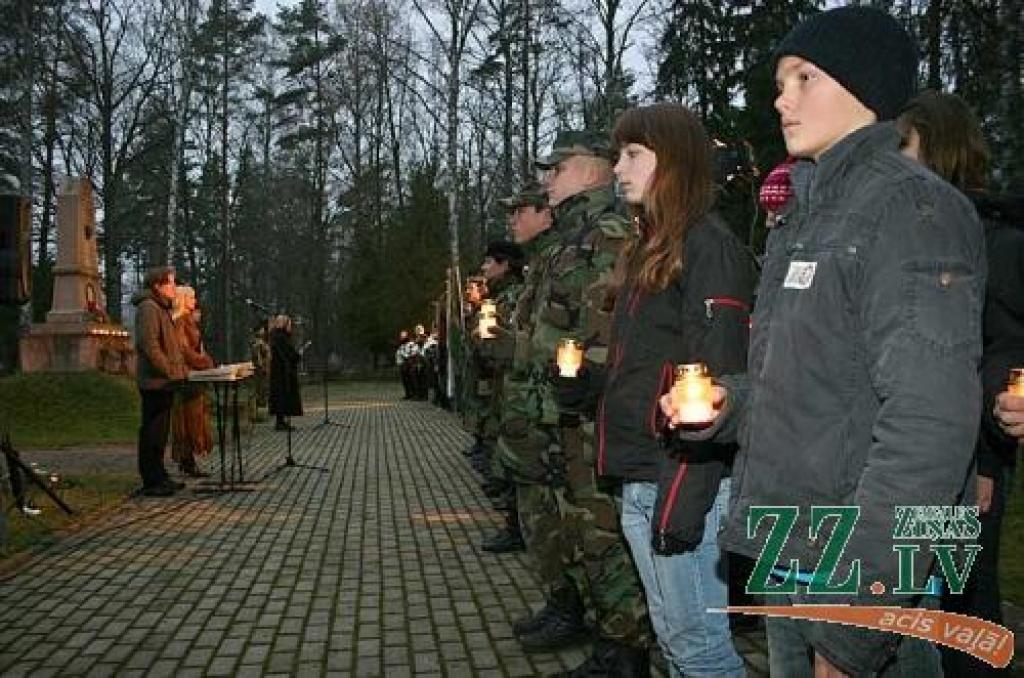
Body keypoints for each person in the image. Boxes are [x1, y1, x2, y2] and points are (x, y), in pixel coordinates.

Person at [663, 7, 985, 676]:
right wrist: (731, 403)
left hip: (853, 567)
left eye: (803, 77)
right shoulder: (806, 214)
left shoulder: (911, 209)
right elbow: (821, 382)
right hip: (797, 551)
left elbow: (930, 427)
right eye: (780, 80)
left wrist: (856, 619)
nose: (781, 97)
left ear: (864, 87)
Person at [563, 102, 755, 676]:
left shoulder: (709, 249)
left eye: (633, 154)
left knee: (698, 645)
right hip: (643, 478)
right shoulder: (653, 249)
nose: (618, 167)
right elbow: (653, 370)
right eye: (620, 153)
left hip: (678, 482)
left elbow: (717, 387)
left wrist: (681, 502)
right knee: (674, 640)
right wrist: (592, 386)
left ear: (673, 162)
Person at [507, 130, 652, 674]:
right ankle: (606, 635)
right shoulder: (574, 236)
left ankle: (625, 648)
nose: (549, 179)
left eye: (558, 168)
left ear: (593, 171)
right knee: (579, 530)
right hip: (562, 411)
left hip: (591, 414)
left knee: (600, 530)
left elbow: (603, 330)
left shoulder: (608, 233)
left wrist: (527, 350)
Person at [897, 89, 1024, 677]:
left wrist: (984, 461)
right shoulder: (905, 234)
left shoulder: (992, 240)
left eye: (906, 146)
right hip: (905, 454)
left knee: (962, 610)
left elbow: (1002, 349)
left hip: (966, 464)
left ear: (940, 151)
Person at [131, 266, 188, 497]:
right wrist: (168, 370)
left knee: (161, 432)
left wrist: (178, 370)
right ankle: (151, 480)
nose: (174, 287)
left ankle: (160, 475)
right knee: (152, 431)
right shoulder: (148, 308)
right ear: (157, 285)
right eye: (170, 283)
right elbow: (150, 346)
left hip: (165, 382)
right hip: (155, 381)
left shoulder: (162, 308)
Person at [170, 285, 215, 478]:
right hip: (188, 378)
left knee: (193, 418)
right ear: (183, 299)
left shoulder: (187, 320)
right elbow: (184, 350)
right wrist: (204, 362)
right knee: (189, 420)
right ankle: (187, 460)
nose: (195, 301)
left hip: (194, 376)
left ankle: (188, 461)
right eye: (192, 297)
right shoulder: (181, 321)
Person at [269, 314, 303, 430]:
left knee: (281, 396)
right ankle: (280, 422)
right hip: (281, 373)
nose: (291, 327)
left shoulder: (277, 336)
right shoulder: (280, 337)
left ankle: (281, 420)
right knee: (281, 396)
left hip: (280, 372)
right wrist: (297, 355)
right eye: (289, 324)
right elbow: (288, 354)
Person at [250, 325, 271, 418]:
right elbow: (258, 356)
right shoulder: (257, 343)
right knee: (260, 388)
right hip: (260, 369)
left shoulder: (263, 342)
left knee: (264, 388)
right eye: (261, 329)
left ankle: (262, 408)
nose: (263, 331)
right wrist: (261, 366)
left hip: (266, 367)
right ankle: (258, 410)